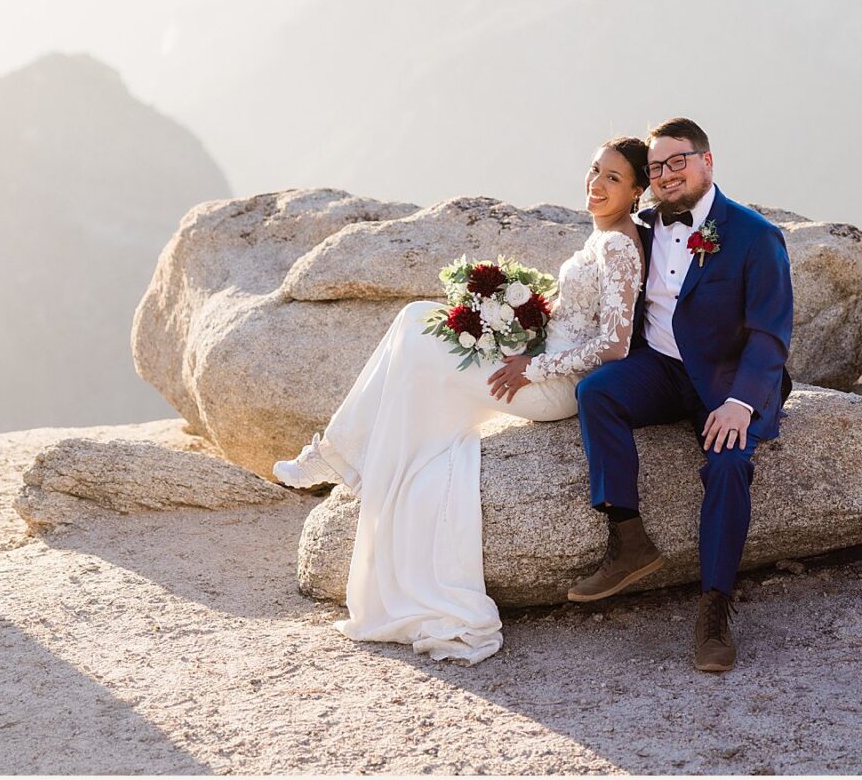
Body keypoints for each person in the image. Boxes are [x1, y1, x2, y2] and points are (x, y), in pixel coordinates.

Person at [271, 136, 650, 665]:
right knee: (415, 322)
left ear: (637, 190)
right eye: (594, 170)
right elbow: (575, 317)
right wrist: (514, 321)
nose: (597, 184)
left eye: (613, 178)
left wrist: (531, 367)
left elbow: (615, 344)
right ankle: (345, 453)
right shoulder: (603, 237)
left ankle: (340, 454)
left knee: (417, 338)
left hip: (552, 386)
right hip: (537, 359)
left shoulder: (618, 246)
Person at [569, 117, 795, 673]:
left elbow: (771, 334)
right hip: (661, 370)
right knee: (597, 392)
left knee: (727, 466)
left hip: (727, 383)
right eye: (657, 168)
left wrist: (742, 403)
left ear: (707, 161)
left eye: (679, 162)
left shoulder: (753, 235)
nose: (668, 175)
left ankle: (714, 607)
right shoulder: (641, 226)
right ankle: (628, 538)